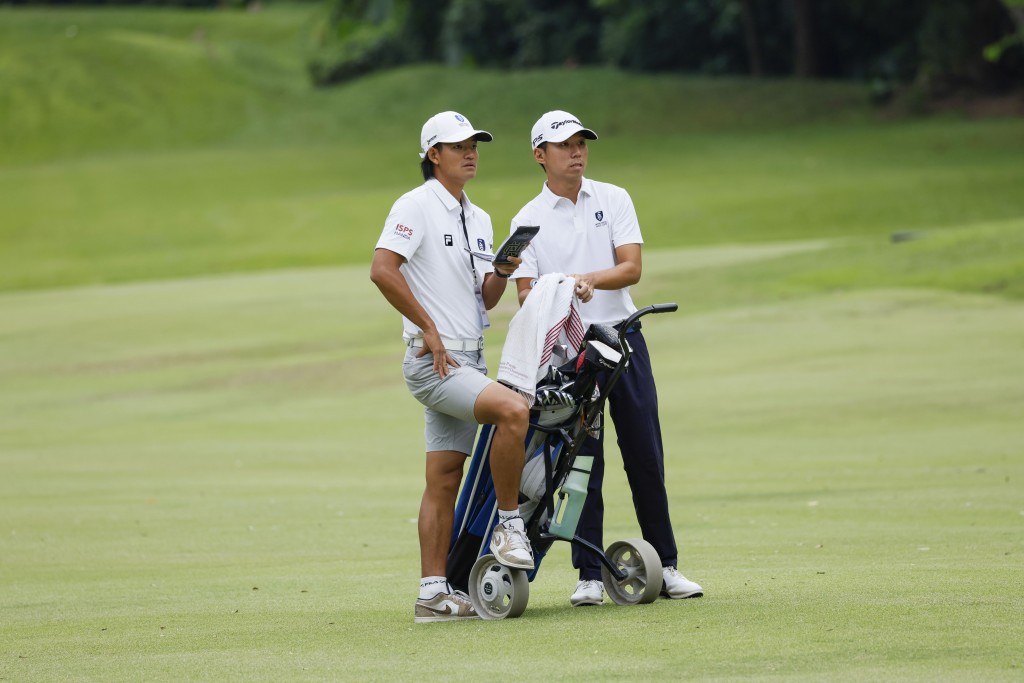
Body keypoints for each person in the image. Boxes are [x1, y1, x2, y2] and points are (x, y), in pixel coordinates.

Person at [510, 110, 704, 607]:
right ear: (540, 155)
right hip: (575, 355)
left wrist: (586, 280)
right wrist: (564, 289)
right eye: (564, 145)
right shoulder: (526, 220)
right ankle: (589, 575)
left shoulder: (613, 197)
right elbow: (527, 293)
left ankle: (668, 563)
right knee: (582, 463)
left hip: (624, 339)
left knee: (645, 451)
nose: (576, 152)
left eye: (581, 143)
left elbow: (631, 268)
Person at [370, 111, 534, 623]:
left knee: (443, 477)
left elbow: (483, 299)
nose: (470, 152)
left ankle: (433, 594)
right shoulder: (414, 206)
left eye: (475, 144)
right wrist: (428, 326)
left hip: (467, 355)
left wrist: (503, 271)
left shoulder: (479, 217)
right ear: (432, 155)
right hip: (433, 361)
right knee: (512, 410)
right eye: (457, 145)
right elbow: (382, 269)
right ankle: (510, 524)